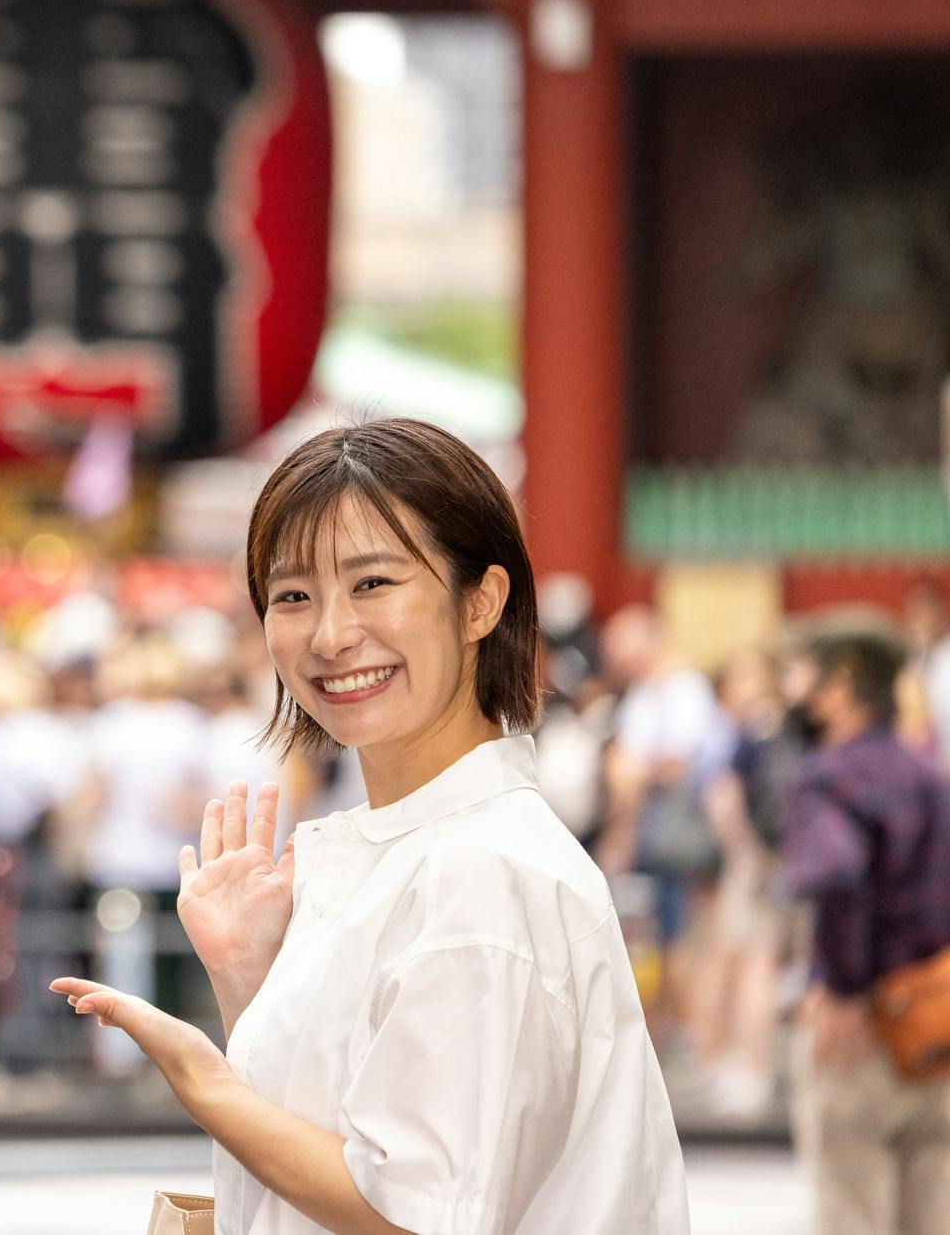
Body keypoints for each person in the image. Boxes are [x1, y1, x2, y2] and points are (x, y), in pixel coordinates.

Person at [51, 418, 688, 1234]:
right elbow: (346, 1127)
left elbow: (413, 1216)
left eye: (374, 583)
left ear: (480, 601)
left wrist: (203, 1082)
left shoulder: (480, 869)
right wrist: (252, 975)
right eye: (292, 596)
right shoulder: (408, 845)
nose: (330, 634)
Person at [782, 629, 950, 1235]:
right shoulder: (931, 773)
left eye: (805, 676)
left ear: (841, 687)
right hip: (934, 1024)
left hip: (862, 1032)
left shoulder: (828, 778)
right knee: (932, 1209)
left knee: (851, 1207)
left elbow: (835, 878)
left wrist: (845, 990)